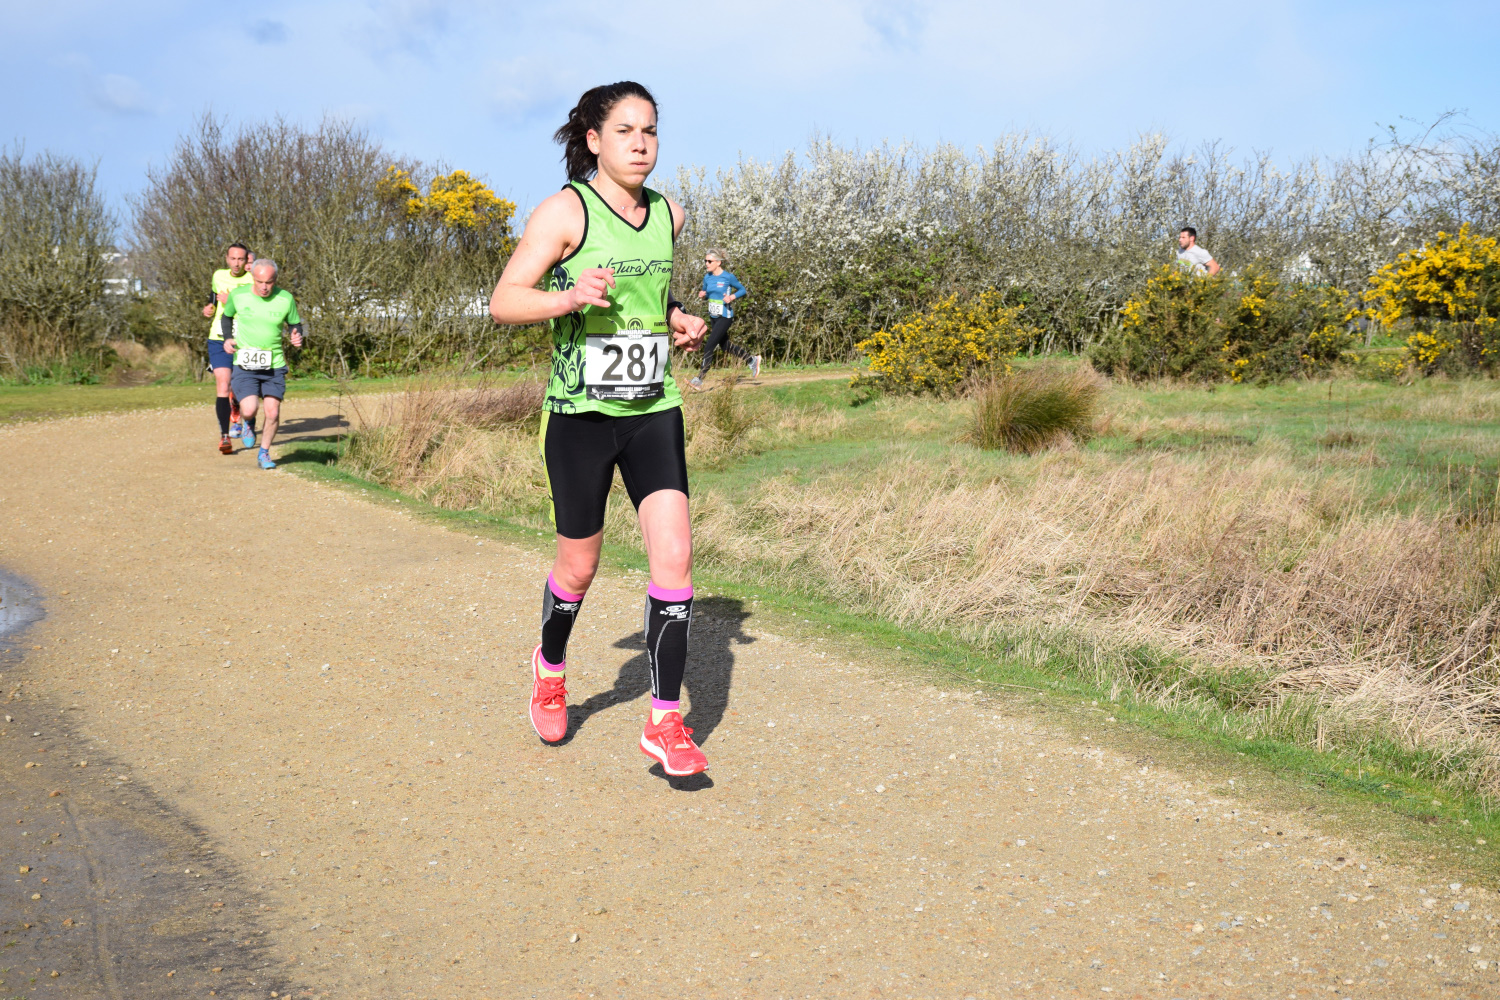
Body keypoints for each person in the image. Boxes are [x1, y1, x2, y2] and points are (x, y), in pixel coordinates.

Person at [488, 81, 711, 776]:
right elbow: (504, 301)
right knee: (578, 567)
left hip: (652, 408)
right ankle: (550, 667)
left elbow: (648, 295)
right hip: (581, 416)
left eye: (651, 131)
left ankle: (665, 722)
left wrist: (676, 318)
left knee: (674, 558)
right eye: (625, 131)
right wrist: (568, 298)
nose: (641, 144)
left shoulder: (669, 214)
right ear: (593, 140)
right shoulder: (565, 212)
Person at [221, 259, 304, 470]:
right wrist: (228, 338)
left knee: (273, 412)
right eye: (259, 282)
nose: (264, 287)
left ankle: (264, 453)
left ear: (275, 279)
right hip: (245, 363)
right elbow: (226, 317)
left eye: (269, 282)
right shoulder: (238, 295)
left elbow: (295, 323)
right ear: (252, 278)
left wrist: (296, 335)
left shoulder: (285, 298)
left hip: (274, 364)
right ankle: (248, 421)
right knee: (249, 410)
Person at [202, 243, 256, 452]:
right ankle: (225, 436)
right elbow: (213, 297)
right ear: (226, 259)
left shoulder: (253, 280)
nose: (236, 263)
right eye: (233, 258)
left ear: (246, 260)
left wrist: (233, 301)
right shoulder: (218, 276)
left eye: (241, 259)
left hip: (246, 339)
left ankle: (248, 422)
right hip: (218, 337)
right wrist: (210, 307)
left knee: (244, 387)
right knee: (223, 385)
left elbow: (256, 310)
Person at [689, 250, 759, 387]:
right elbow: (707, 294)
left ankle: (699, 379)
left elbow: (742, 290)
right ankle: (751, 360)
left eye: (710, 261)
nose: (706, 263)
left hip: (725, 317)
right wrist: (703, 295)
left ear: (718, 262)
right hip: (713, 317)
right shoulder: (707, 277)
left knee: (709, 346)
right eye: (705, 261)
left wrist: (732, 297)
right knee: (725, 345)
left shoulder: (728, 277)